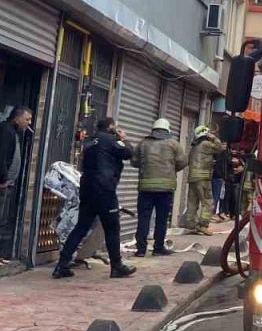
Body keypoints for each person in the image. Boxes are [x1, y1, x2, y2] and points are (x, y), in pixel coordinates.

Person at [53, 118, 136, 279]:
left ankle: (61, 266)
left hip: (86, 188)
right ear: (111, 127)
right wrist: (124, 138)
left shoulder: (89, 141)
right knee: (112, 228)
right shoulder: (110, 140)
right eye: (116, 127)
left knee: (81, 227)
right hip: (104, 190)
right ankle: (117, 266)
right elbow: (128, 153)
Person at [0, 106, 32, 266]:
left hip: (8, 183)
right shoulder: (5, 130)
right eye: (27, 119)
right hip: (1, 183)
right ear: (17, 118)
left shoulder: (14, 133)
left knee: (1, 218)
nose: (28, 123)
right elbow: (0, 157)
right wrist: (1, 178)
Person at [132, 118, 186, 256]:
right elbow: (182, 162)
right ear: (168, 129)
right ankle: (158, 248)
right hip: (165, 189)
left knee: (143, 218)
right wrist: (171, 169)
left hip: (145, 188)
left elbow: (134, 161)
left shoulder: (143, 143)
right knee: (162, 219)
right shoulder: (174, 144)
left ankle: (141, 250)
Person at [186, 125, 223, 235]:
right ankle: (203, 225)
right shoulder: (206, 144)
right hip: (203, 178)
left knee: (192, 201)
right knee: (208, 202)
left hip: (192, 178)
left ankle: (191, 225)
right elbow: (219, 148)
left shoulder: (194, 147)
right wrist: (214, 138)